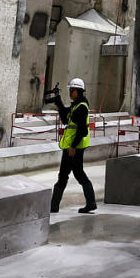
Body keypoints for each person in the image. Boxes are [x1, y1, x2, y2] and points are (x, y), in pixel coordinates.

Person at [49, 77, 97, 214]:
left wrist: (73, 146)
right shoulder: (76, 104)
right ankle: (90, 203)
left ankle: (54, 206)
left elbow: (83, 130)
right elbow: (66, 120)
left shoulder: (81, 107)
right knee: (72, 174)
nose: (70, 92)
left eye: (72, 90)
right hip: (72, 147)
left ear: (77, 91)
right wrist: (59, 104)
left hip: (74, 148)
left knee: (68, 175)